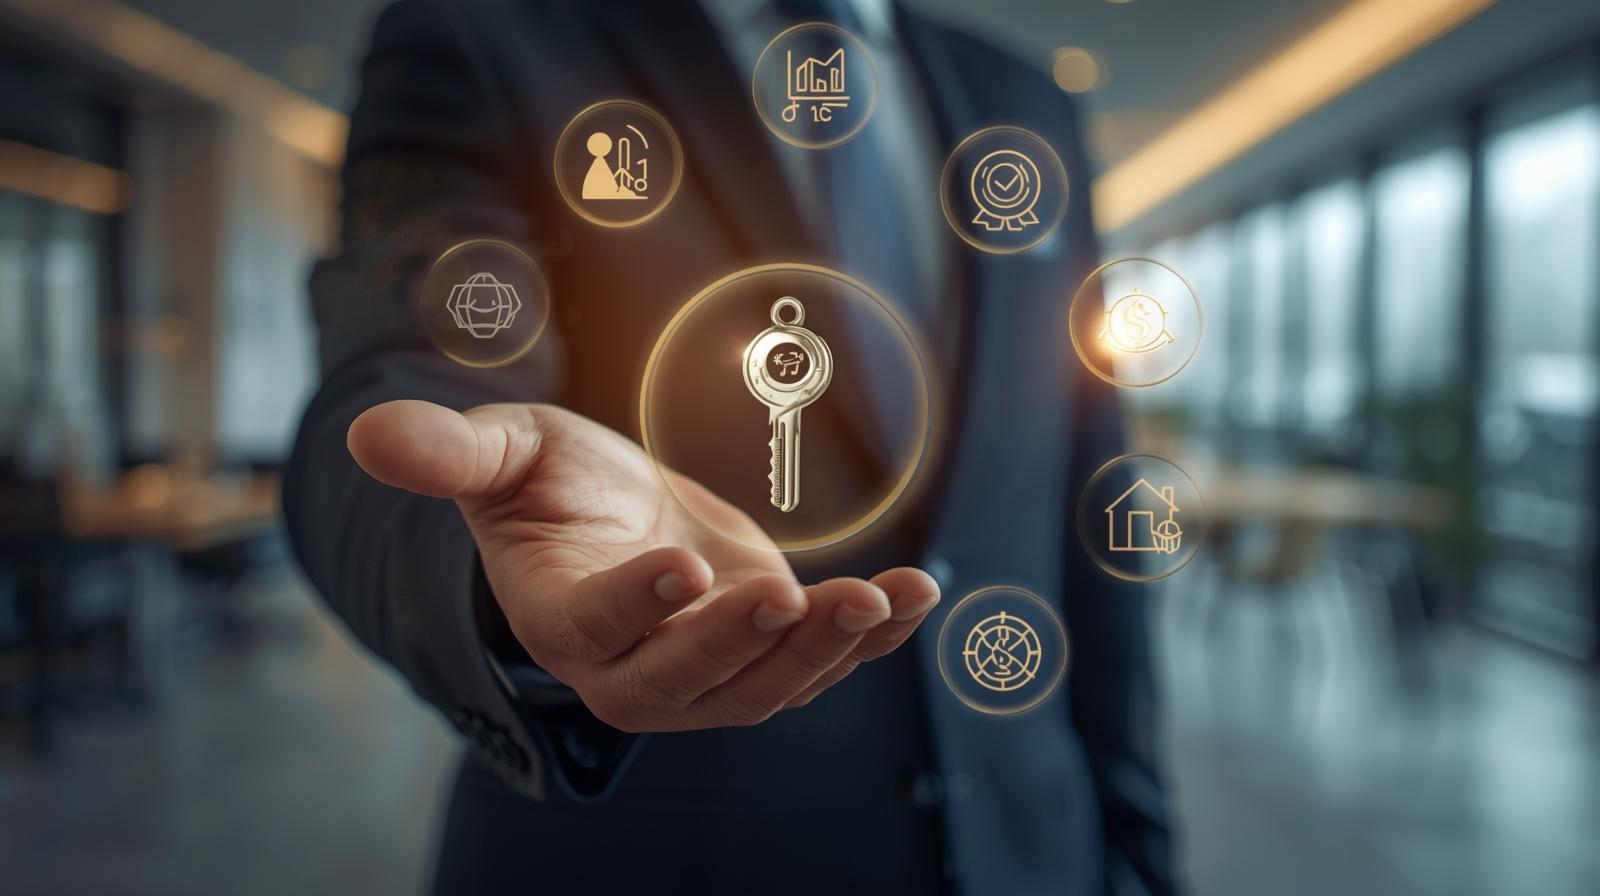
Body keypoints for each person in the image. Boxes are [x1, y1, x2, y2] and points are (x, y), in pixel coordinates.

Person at [284, 0, 1174, 892]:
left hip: (1034, 850)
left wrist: (1141, 852)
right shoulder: (485, 32)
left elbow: (1090, 492)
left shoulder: (1025, 98)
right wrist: (500, 566)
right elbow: (415, 366)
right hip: (644, 862)